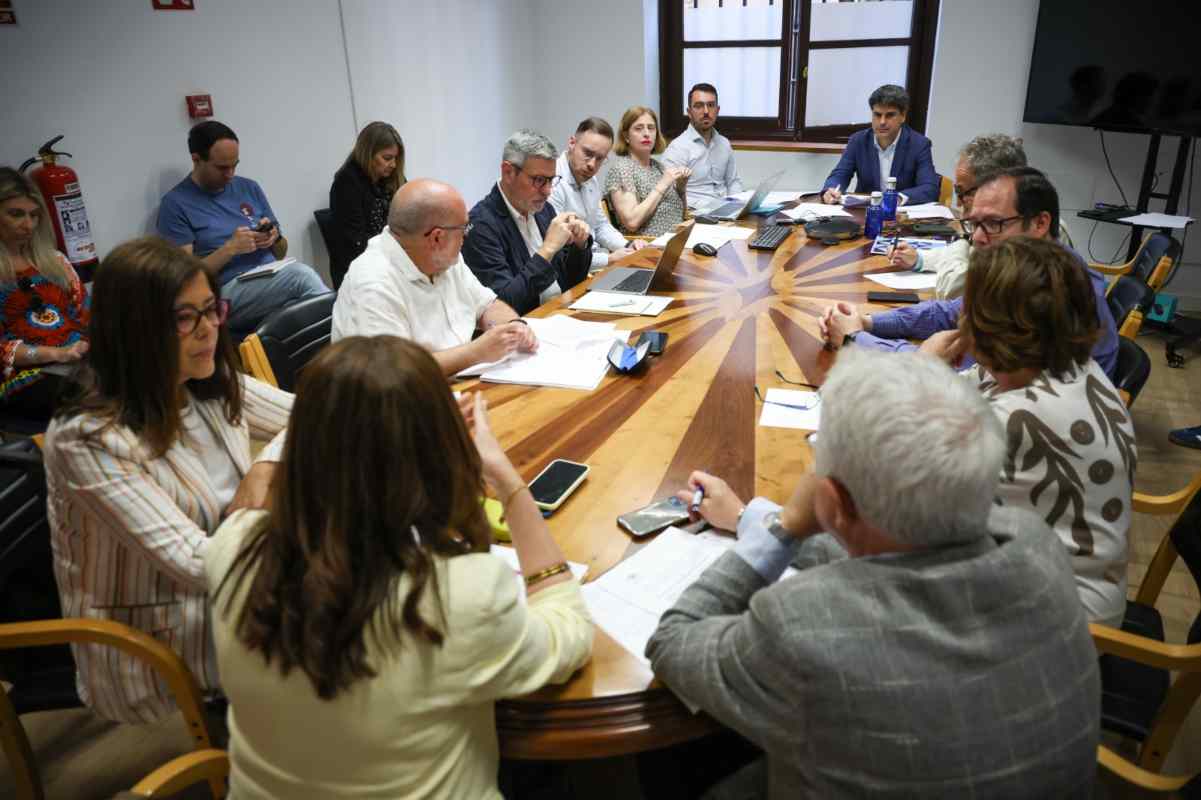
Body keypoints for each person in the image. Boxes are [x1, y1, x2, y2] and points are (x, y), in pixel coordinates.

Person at [646, 348, 1100, 798]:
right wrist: (749, 516)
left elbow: (672, 642)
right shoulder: (1035, 543)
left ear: (833, 503)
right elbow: (895, 551)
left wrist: (784, 527)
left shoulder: (800, 629)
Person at [206, 336, 593, 798]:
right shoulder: (460, 593)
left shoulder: (231, 547)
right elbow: (569, 632)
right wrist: (507, 481)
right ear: (437, 453)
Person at [44, 236, 293, 724]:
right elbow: (198, 564)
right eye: (185, 318)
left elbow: (317, 414)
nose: (208, 330)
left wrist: (263, 470)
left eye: (211, 309)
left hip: (238, 591)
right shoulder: (87, 438)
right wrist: (267, 511)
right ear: (136, 330)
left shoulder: (206, 384)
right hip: (165, 643)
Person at [959, 237, 1134, 627]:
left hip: (1058, 630)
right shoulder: (1074, 368)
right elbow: (972, 384)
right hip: (1068, 588)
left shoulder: (1015, 419)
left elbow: (902, 497)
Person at [820, 167, 1120, 382]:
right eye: (973, 224)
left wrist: (854, 339)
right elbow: (949, 312)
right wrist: (870, 323)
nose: (976, 238)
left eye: (993, 223)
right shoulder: (1027, 271)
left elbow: (954, 383)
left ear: (1040, 223)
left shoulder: (1055, 292)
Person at [332, 179, 537, 376]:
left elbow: (486, 305)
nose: (466, 236)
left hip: (457, 380)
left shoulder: (445, 258)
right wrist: (476, 352)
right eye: (463, 229)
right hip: (405, 399)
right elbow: (392, 372)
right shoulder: (373, 284)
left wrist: (514, 326)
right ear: (437, 238)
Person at [156, 121, 328, 338]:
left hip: (269, 277)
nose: (230, 174)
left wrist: (273, 237)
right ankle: (346, 352)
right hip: (221, 294)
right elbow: (183, 279)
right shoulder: (176, 204)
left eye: (234, 165)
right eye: (221, 167)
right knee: (301, 277)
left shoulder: (248, 187)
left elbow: (281, 251)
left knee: (305, 303)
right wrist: (230, 249)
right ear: (196, 159)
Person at [462, 129, 592, 315]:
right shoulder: (480, 226)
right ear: (508, 172)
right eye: (539, 180)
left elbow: (569, 281)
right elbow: (504, 305)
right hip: (526, 327)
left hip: (559, 312)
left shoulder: (542, 208)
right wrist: (547, 250)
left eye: (551, 180)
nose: (548, 191)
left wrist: (579, 247)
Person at [888, 134, 1027, 299]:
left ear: (992, 188)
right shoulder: (1005, 217)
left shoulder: (1021, 227)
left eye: (961, 193)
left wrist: (962, 236)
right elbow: (970, 257)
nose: (959, 204)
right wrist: (919, 259)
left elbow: (951, 288)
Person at [0, 167, 89, 419]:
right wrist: (55, 354)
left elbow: (86, 315)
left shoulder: (55, 261)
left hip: (76, 363)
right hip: (28, 377)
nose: (28, 225)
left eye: (34, 215)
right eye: (16, 214)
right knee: (93, 398)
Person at [550, 116, 645, 271]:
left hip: (595, 260)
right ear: (572, 143)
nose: (592, 164)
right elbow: (559, 251)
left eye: (600, 158)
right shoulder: (552, 183)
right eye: (587, 153)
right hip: (571, 269)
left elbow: (600, 226)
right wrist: (609, 259)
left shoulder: (590, 180)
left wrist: (628, 245)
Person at [820, 84, 939, 206]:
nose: (882, 122)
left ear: (903, 116)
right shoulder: (858, 141)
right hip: (864, 212)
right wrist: (831, 190)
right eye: (877, 115)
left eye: (889, 115)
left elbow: (929, 188)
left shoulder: (919, 144)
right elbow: (840, 174)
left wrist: (897, 198)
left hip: (900, 215)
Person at [328, 121, 406, 289]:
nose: (393, 164)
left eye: (395, 158)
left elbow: (411, 212)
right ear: (368, 153)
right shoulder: (346, 183)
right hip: (361, 266)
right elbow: (355, 243)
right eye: (387, 158)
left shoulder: (391, 178)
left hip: (392, 257)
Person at [604, 106, 689, 238]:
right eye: (638, 128)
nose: (646, 133)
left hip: (675, 242)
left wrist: (681, 187)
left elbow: (680, 213)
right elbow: (632, 222)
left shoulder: (659, 167)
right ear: (626, 136)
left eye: (651, 128)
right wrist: (663, 184)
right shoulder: (622, 169)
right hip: (646, 247)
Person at [662, 82, 744, 211]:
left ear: (717, 110)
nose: (706, 111)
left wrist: (738, 206)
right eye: (699, 106)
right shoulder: (677, 148)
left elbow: (733, 182)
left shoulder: (724, 143)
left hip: (727, 211)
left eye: (711, 105)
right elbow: (668, 193)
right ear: (689, 112)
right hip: (696, 214)